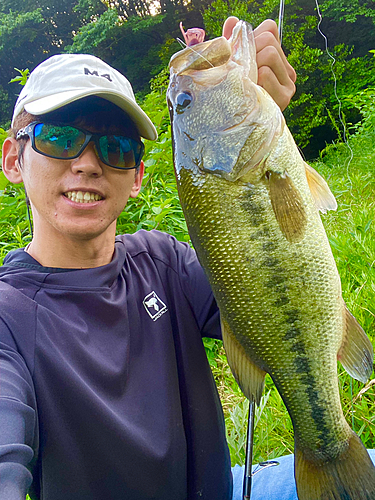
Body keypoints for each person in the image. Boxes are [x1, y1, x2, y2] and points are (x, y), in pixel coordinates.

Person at [1, 16, 372, 500]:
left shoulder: (163, 262)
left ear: (136, 176)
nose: (88, 162)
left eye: (116, 146)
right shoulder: (8, 318)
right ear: (13, 159)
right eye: (58, 136)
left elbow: (275, 294)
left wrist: (265, 116)